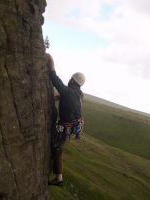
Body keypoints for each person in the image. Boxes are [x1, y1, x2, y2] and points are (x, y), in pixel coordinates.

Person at [46, 53, 85, 186]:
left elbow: (54, 78)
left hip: (65, 127)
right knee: (58, 148)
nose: (69, 80)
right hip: (71, 126)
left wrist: (51, 61)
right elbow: (69, 101)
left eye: (71, 79)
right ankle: (59, 177)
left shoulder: (69, 92)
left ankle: (59, 179)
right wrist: (59, 98)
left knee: (57, 149)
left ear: (73, 81)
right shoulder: (79, 94)